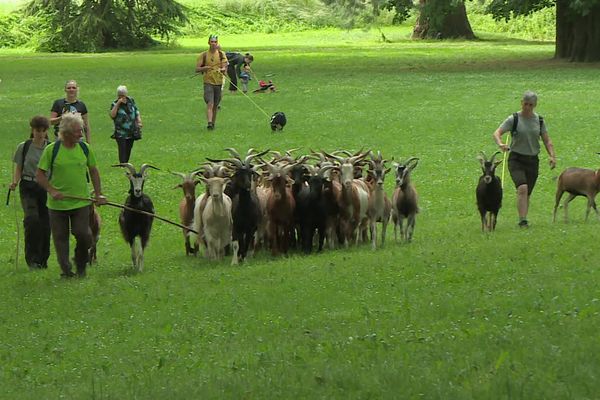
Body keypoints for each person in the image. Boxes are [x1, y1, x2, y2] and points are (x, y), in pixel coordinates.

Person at [36, 113, 107, 278]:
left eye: (81, 130)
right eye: (77, 131)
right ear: (66, 132)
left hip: (81, 203)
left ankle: (81, 264)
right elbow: (39, 175)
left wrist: (98, 194)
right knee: (61, 239)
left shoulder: (84, 148)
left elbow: (94, 171)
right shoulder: (52, 150)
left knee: (84, 235)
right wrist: (52, 190)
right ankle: (67, 271)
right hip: (57, 205)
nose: (81, 134)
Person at [493, 90, 556, 228]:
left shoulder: (539, 121)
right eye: (525, 104)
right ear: (521, 103)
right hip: (516, 159)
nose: (527, 107)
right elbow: (497, 133)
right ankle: (522, 221)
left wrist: (552, 156)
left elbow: (547, 140)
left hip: (532, 160)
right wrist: (500, 144)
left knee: (527, 192)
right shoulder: (514, 119)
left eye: (531, 105)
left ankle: (524, 217)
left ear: (535, 105)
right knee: (522, 188)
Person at [10, 116, 51, 270]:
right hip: (28, 186)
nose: (40, 134)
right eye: (37, 130)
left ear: (47, 131)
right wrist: (15, 181)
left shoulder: (51, 148)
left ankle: (43, 259)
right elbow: (19, 167)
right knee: (32, 220)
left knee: (45, 224)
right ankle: (32, 259)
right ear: (32, 130)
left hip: (46, 187)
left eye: (43, 131)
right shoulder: (25, 146)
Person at [195, 35, 228, 130]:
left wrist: (222, 69)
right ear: (208, 43)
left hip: (218, 82)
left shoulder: (222, 54)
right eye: (212, 42)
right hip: (208, 82)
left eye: (215, 42)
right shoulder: (203, 55)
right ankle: (209, 123)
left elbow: (225, 67)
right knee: (210, 103)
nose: (213, 43)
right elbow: (197, 69)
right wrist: (204, 68)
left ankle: (213, 123)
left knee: (216, 105)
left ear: (217, 43)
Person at [110, 85, 143, 163]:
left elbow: (136, 111)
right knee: (122, 149)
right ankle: (122, 164)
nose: (122, 98)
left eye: (123, 96)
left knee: (128, 149)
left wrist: (139, 120)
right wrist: (118, 104)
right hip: (121, 132)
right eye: (120, 96)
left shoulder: (131, 101)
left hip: (131, 131)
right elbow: (112, 115)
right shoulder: (114, 103)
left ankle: (126, 164)